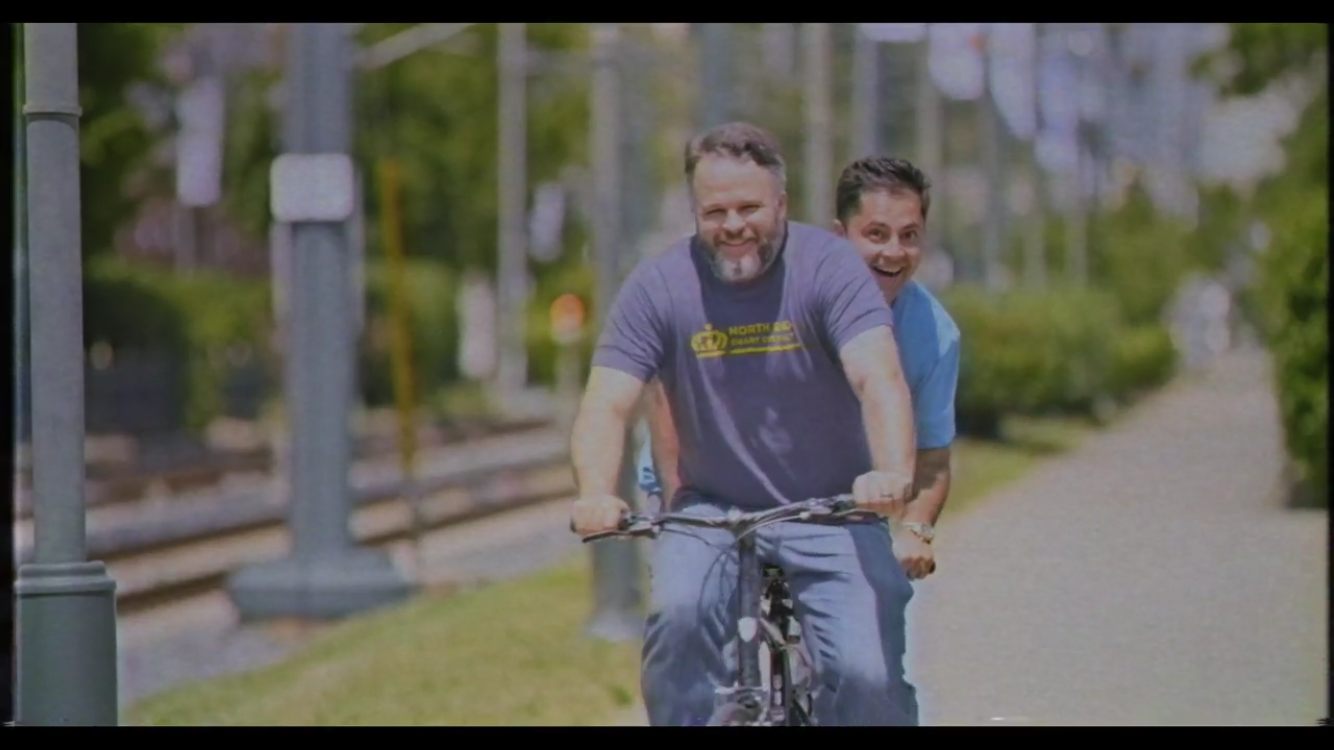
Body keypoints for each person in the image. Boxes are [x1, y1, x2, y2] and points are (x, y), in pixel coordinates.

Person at [568, 121, 920, 726]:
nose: (733, 225)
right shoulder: (659, 285)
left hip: (834, 507)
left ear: (781, 204)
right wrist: (596, 493)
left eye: (749, 207)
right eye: (715, 211)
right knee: (678, 618)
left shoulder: (830, 267)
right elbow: (607, 403)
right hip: (709, 512)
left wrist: (890, 473)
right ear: (695, 212)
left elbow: (877, 377)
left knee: (866, 675)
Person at [638, 155, 961, 582]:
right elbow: (670, 382)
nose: (893, 252)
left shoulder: (933, 333)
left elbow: (933, 459)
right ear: (840, 236)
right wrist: (676, 498)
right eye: (876, 234)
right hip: (706, 491)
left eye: (909, 236)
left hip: (833, 506)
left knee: (861, 631)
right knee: (697, 617)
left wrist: (916, 530)